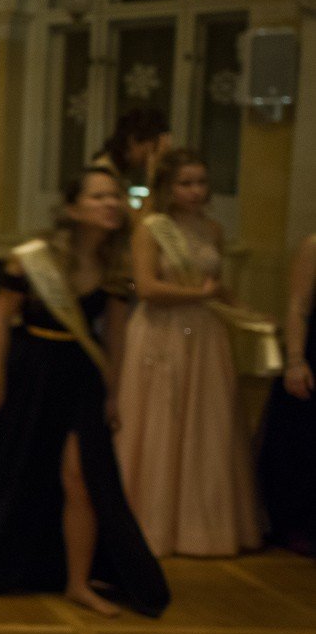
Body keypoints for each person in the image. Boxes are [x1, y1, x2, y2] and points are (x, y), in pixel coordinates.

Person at [0, 167, 169, 617]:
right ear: (73, 208)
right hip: (32, 372)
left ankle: (78, 582)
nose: (111, 204)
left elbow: (116, 336)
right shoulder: (33, 257)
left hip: (81, 376)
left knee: (81, 478)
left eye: (115, 196)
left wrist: (114, 394)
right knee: (11, 469)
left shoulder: (116, 265)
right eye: (99, 197)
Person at [116, 148, 260, 557]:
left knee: (205, 427)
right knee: (162, 421)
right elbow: (146, 288)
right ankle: (151, 522)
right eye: (186, 183)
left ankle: (200, 526)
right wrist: (198, 295)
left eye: (201, 182)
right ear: (167, 186)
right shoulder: (151, 229)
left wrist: (247, 313)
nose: (196, 191)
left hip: (206, 337)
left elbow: (217, 285)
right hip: (162, 333)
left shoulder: (213, 229)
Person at [257, 233, 316, 555]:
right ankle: (298, 526)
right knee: (303, 445)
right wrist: (295, 360)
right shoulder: (314, 246)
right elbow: (298, 306)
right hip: (312, 356)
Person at [91, 107, 170, 203]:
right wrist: (152, 176)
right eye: (154, 149)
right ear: (133, 141)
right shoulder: (104, 174)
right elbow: (142, 214)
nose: (157, 157)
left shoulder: (118, 173)